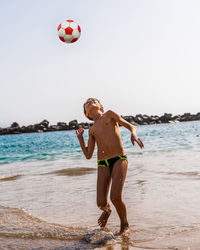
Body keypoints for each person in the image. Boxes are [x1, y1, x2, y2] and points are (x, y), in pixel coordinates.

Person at [76, 98, 144, 234]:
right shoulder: (92, 130)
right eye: (87, 103)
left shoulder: (109, 114)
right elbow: (88, 154)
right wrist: (81, 139)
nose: (90, 101)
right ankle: (107, 211)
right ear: (86, 114)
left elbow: (131, 126)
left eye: (93, 100)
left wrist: (133, 134)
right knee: (100, 203)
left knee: (115, 197)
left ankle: (124, 225)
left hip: (119, 159)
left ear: (101, 107)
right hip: (103, 163)